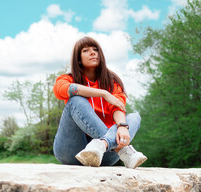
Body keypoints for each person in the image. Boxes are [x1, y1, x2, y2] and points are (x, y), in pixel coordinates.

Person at [53, 36, 147, 168]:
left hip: (105, 154)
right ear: (78, 59)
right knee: (76, 100)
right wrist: (103, 93)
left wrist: (121, 126)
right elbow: (60, 90)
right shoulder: (67, 78)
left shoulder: (112, 82)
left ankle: (102, 144)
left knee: (134, 117)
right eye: (85, 50)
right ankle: (123, 151)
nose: (92, 52)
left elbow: (118, 107)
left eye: (95, 49)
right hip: (72, 151)